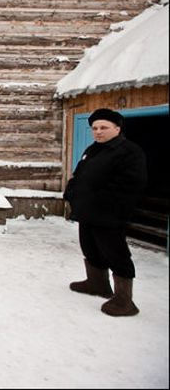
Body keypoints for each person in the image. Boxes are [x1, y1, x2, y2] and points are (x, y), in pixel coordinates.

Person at [64, 108, 147, 317]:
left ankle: (124, 301)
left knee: (115, 253)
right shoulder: (93, 149)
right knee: (89, 247)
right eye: (95, 128)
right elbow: (79, 174)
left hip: (109, 214)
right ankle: (97, 284)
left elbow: (130, 184)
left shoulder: (129, 151)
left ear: (117, 128)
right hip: (87, 212)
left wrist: (103, 202)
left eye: (104, 128)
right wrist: (71, 192)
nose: (98, 132)